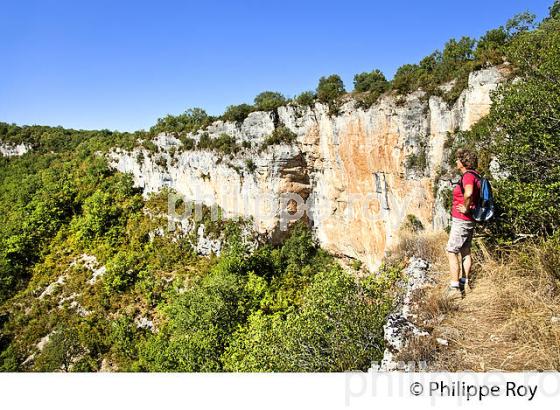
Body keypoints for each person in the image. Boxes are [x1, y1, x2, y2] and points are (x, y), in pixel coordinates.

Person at [446, 148, 481, 295]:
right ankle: (464, 282)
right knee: (465, 250)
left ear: (463, 162)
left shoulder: (467, 176)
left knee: (451, 251)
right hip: (469, 220)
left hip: (462, 220)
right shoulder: (476, 175)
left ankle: (454, 288)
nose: (456, 161)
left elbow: (469, 193)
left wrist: (466, 208)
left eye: (458, 159)